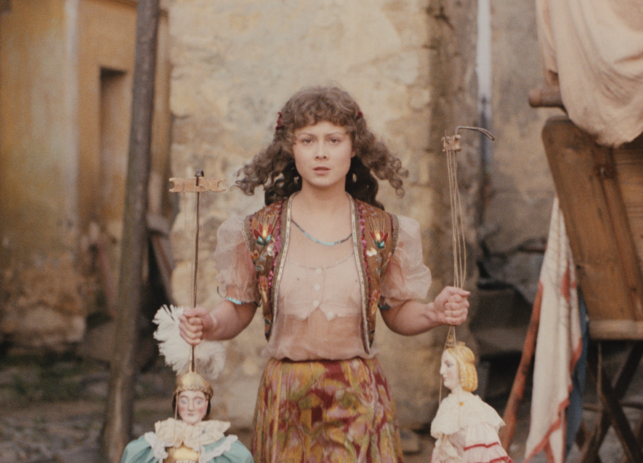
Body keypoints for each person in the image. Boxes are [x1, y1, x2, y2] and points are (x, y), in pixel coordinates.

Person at [179, 86, 470, 463]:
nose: (320, 152)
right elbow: (237, 308)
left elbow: (397, 312)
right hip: (286, 401)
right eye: (307, 140)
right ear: (290, 147)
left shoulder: (382, 231)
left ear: (354, 147)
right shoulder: (259, 231)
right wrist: (210, 324)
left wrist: (433, 312)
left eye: (333, 140)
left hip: (358, 399)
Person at [120, 370, 254, 463]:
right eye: (184, 401)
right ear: (176, 404)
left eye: (198, 401)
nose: (191, 407)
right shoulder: (163, 438)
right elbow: (131, 454)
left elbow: (244, 458)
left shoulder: (218, 444)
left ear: (206, 405)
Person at [431, 342, 512, 463]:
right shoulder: (448, 404)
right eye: (442, 365)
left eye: (448, 365)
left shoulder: (473, 409)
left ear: (462, 368)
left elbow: (481, 455)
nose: (442, 371)